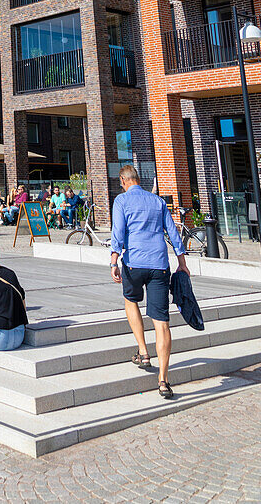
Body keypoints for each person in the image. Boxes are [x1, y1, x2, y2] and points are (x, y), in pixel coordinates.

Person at [110, 164, 190, 400]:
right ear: (138, 179)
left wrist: (114, 260)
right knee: (162, 322)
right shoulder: (157, 201)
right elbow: (173, 233)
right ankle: (163, 381)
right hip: (159, 264)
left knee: (130, 300)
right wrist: (182, 261)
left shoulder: (122, 201)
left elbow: (118, 231)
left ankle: (144, 351)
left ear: (124, 181)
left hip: (134, 263)